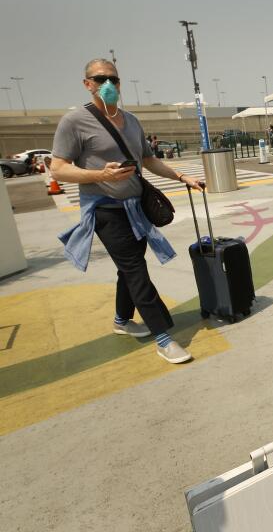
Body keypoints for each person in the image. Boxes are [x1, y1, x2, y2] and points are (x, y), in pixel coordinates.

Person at [50, 58, 203, 364]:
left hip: (137, 208)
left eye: (114, 79)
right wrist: (99, 176)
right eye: (100, 78)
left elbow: (148, 160)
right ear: (87, 84)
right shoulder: (75, 121)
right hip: (105, 210)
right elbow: (58, 168)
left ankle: (122, 320)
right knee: (135, 269)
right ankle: (163, 337)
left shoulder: (131, 121)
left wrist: (182, 177)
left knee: (128, 268)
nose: (109, 84)